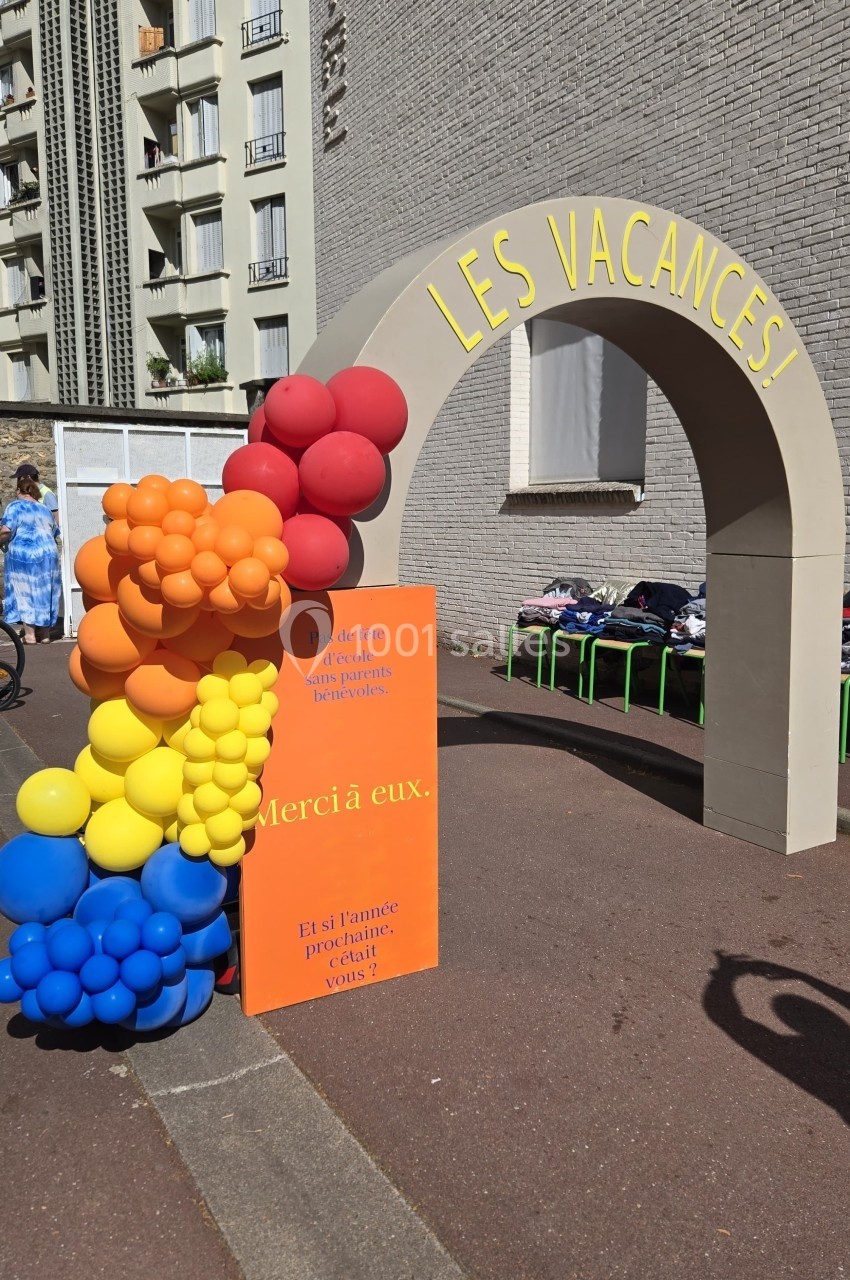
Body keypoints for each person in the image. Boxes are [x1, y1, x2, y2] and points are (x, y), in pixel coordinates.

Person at [0, 474, 61, 643]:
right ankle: (46, 635)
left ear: (19, 491)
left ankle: (30, 635)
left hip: (24, 555)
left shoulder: (15, 507)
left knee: (25, 591)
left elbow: (6, 530)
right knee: (45, 590)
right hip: (48, 554)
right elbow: (55, 531)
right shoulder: (45, 509)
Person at [10, 463, 59, 528]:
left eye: (19, 478)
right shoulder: (25, 491)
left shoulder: (46, 493)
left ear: (27, 477)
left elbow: (56, 518)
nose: (18, 482)